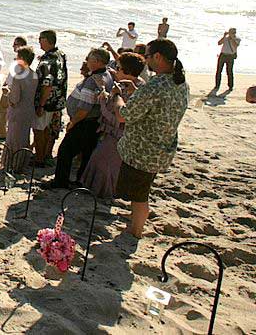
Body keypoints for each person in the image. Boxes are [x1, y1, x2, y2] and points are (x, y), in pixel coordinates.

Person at [113, 39, 189, 238]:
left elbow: (124, 115)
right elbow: (157, 106)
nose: (145, 61)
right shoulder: (179, 82)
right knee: (141, 191)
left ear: (157, 56)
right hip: (162, 148)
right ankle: (134, 225)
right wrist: (136, 91)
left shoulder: (155, 85)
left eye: (147, 56)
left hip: (143, 151)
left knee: (139, 196)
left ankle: (135, 231)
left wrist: (117, 97)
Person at [44, 48, 114, 189]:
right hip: (94, 122)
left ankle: (61, 181)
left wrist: (73, 122)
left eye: (90, 58)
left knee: (65, 151)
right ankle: (81, 180)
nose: (87, 60)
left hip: (84, 122)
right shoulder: (106, 75)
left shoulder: (93, 81)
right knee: (87, 151)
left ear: (98, 62)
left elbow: (84, 109)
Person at [80, 52, 146, 199]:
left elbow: (118, 117)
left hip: (119, 134)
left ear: (128, 72)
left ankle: (102, 193)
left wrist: (105, 99)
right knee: (101, 161)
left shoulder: (132, 89)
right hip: (116, 133)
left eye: (119, 68)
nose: (116, 70)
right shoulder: (136, 84)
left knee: (103, 163)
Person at [33, 30, 68, 166]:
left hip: (47, 102)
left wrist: (41, 105)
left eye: (40, 39)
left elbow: (47, 85)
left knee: (39, 129)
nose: (39, 41)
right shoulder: (60, 54)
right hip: (58, 100)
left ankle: (39, 158)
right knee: (47, 128)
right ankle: (45, 154)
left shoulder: (48, 60)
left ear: (47, 40)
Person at [1, 46, 38, 172]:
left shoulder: (19, 76)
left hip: (18, 111)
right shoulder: (34, 74)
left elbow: (15, 99)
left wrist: (7, 92)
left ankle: (13, 164)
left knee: (13, 138)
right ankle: (22, 163)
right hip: (29, 110)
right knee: (24, 137)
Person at [213, 28, 240, 93]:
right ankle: (217, 85)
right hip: (223, 55)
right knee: (219, 70)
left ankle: (230, 86)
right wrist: (224, 36)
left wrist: (232, 39)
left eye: (233, 33)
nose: (232, 34)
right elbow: (219, 43)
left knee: (229, 71)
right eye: (231, 32)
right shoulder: (226, 38)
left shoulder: (237, 39)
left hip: (230, 56)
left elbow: (235, 46)